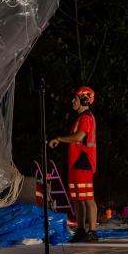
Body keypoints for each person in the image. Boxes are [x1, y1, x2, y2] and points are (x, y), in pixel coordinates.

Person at [48, 86, 99, 242]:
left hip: (83, 162)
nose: (72, 101)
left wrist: (59, 139)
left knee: (88, 198)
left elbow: (79, 137)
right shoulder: (80, 118)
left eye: (75, 98)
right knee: (77, 198)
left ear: (84, 99)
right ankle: (81, 229)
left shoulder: (86, 118)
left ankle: (92, 232)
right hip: (76, 163)